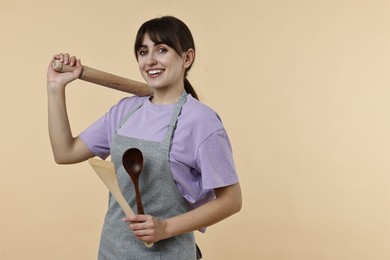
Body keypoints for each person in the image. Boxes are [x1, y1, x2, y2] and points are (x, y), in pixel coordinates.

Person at [47, 16, 242, 259]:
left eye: (162, 49)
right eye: (143, 51)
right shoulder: (124, 111)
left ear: (187, 58)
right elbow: (65, 152)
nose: (150, 61)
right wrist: (55, 88)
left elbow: (232, 200)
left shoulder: (201, 121)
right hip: (112, 250)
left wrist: (165, 228)